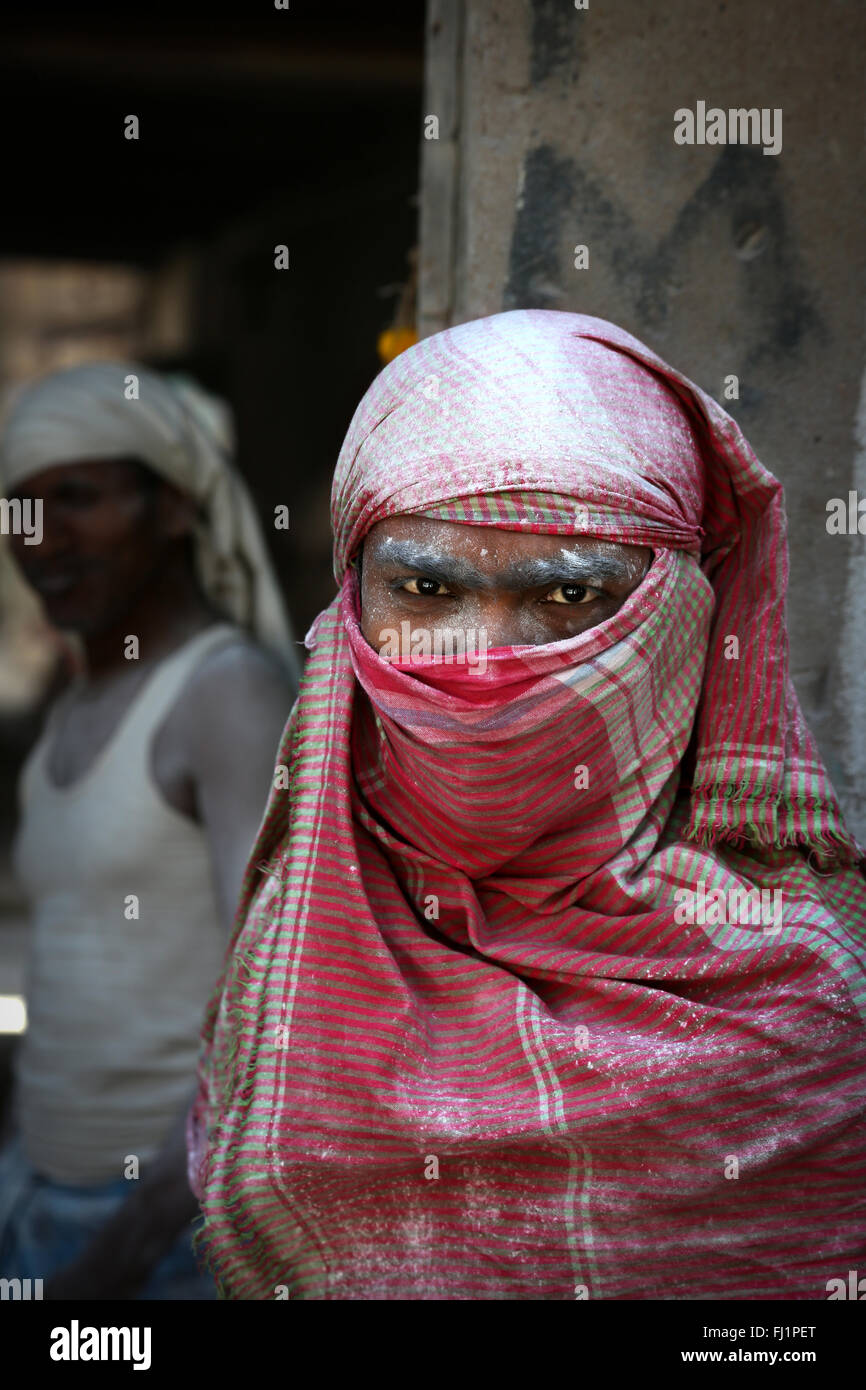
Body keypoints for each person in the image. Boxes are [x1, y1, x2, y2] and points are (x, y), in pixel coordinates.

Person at [189, 309, 866, 1300]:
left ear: (679, 617)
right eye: (423, 587)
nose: (482, 660)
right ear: (352, 604)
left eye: (566, 598)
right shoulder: (296, 943)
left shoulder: (805, 987)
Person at [0, 362, 299, 1299]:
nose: (43, 538)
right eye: (21, 509)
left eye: (78, 497)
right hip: (36, 1203)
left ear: (174, 507)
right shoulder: (71, 714)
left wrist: (118, 1256)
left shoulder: (225, 696)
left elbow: (277, 1014)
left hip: (165, 1236)